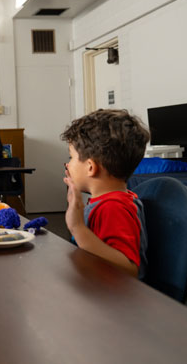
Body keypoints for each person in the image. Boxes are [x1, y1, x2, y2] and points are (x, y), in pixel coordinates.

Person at [61, 109, 150, 278]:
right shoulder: (110, 201)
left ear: (90, 167)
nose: (68, 165)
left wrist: (77, 228)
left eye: (71, 157)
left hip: (115, 301)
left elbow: (128, 270)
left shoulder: (113, 208)